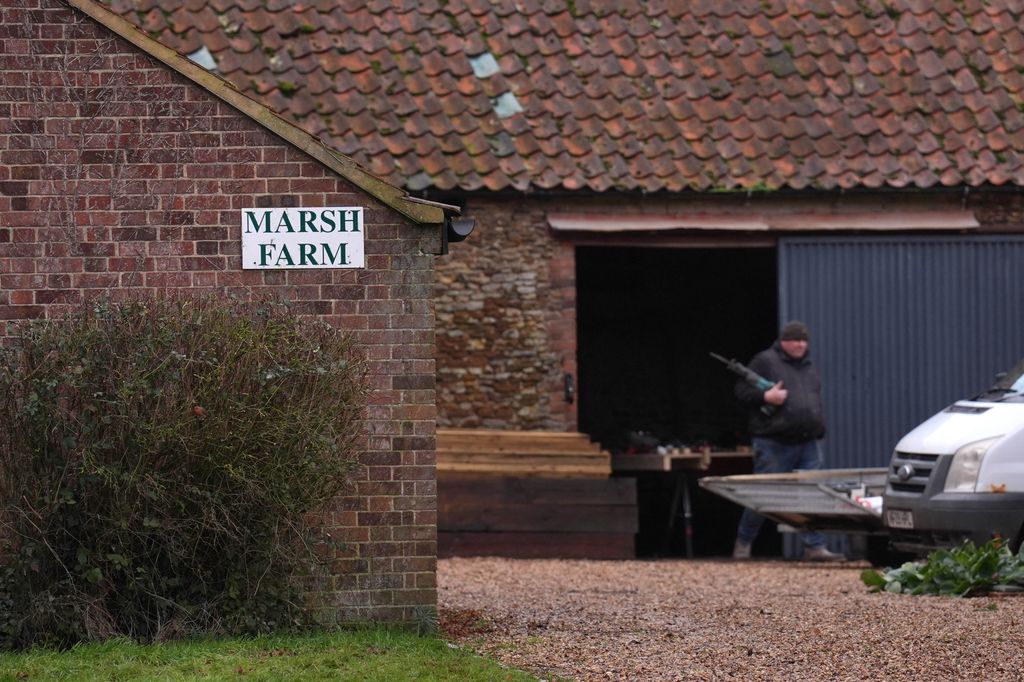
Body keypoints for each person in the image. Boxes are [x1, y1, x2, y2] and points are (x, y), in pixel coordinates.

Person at [732, 321, 845, 561]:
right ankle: (743, 543)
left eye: (804, 340)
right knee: (762, 496)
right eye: (795, 339)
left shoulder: (809, 366)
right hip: (774, 441)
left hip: (808, 441)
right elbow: (740, 391)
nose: (801, 344)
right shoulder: (765, 361)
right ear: (784, 341)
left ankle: (814, 546)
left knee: (810, 493)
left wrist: (818, 426)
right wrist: (766, 395)